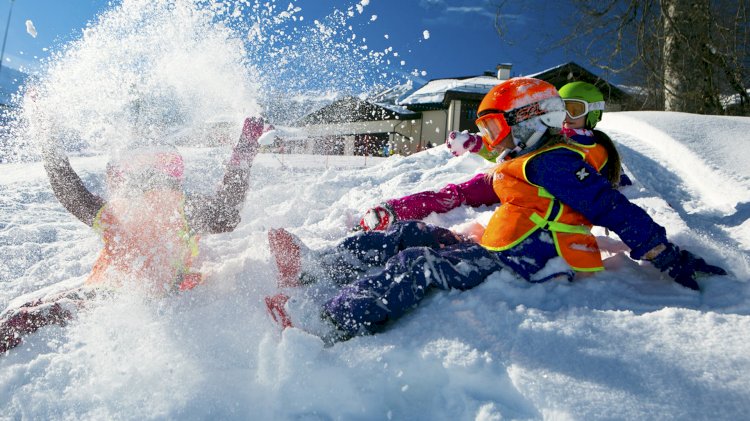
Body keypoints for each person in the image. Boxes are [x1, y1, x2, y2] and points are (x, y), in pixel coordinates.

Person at [266, 77, 726, 344]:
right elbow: (473, 187)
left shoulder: (557, 161)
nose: (488, 137)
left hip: (527, 260)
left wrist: (662, 251)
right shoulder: (525, 162)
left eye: (491, 125)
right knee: (408, 236)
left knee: (417, 264)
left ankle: (328, 321)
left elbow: (611, 205)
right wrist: (400, 208)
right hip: (497, 247)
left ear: (530, 119)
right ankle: (320, 267)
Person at [0, 116, 266, 354]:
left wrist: (47, 140)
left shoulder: (115, 211)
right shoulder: (183, 208)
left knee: (41, 313)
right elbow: (228, 213)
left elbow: (69, 192)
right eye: (141, 166)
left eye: (163, 164)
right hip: (132, 298)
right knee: (43, 312)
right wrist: (243, 154)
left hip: (110, 294)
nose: (152, 174)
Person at [358, 80, 629, 233]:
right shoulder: (545, 131)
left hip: (540, 195)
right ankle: (394, 210)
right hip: (514, 173)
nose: (565, 116)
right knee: (457, 193)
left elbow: (600, 183)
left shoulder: (597, 148)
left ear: (594, 111)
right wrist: (476, 143)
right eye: (560, 107)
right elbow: (509, 145)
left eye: (573, 109)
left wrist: (615, 181)